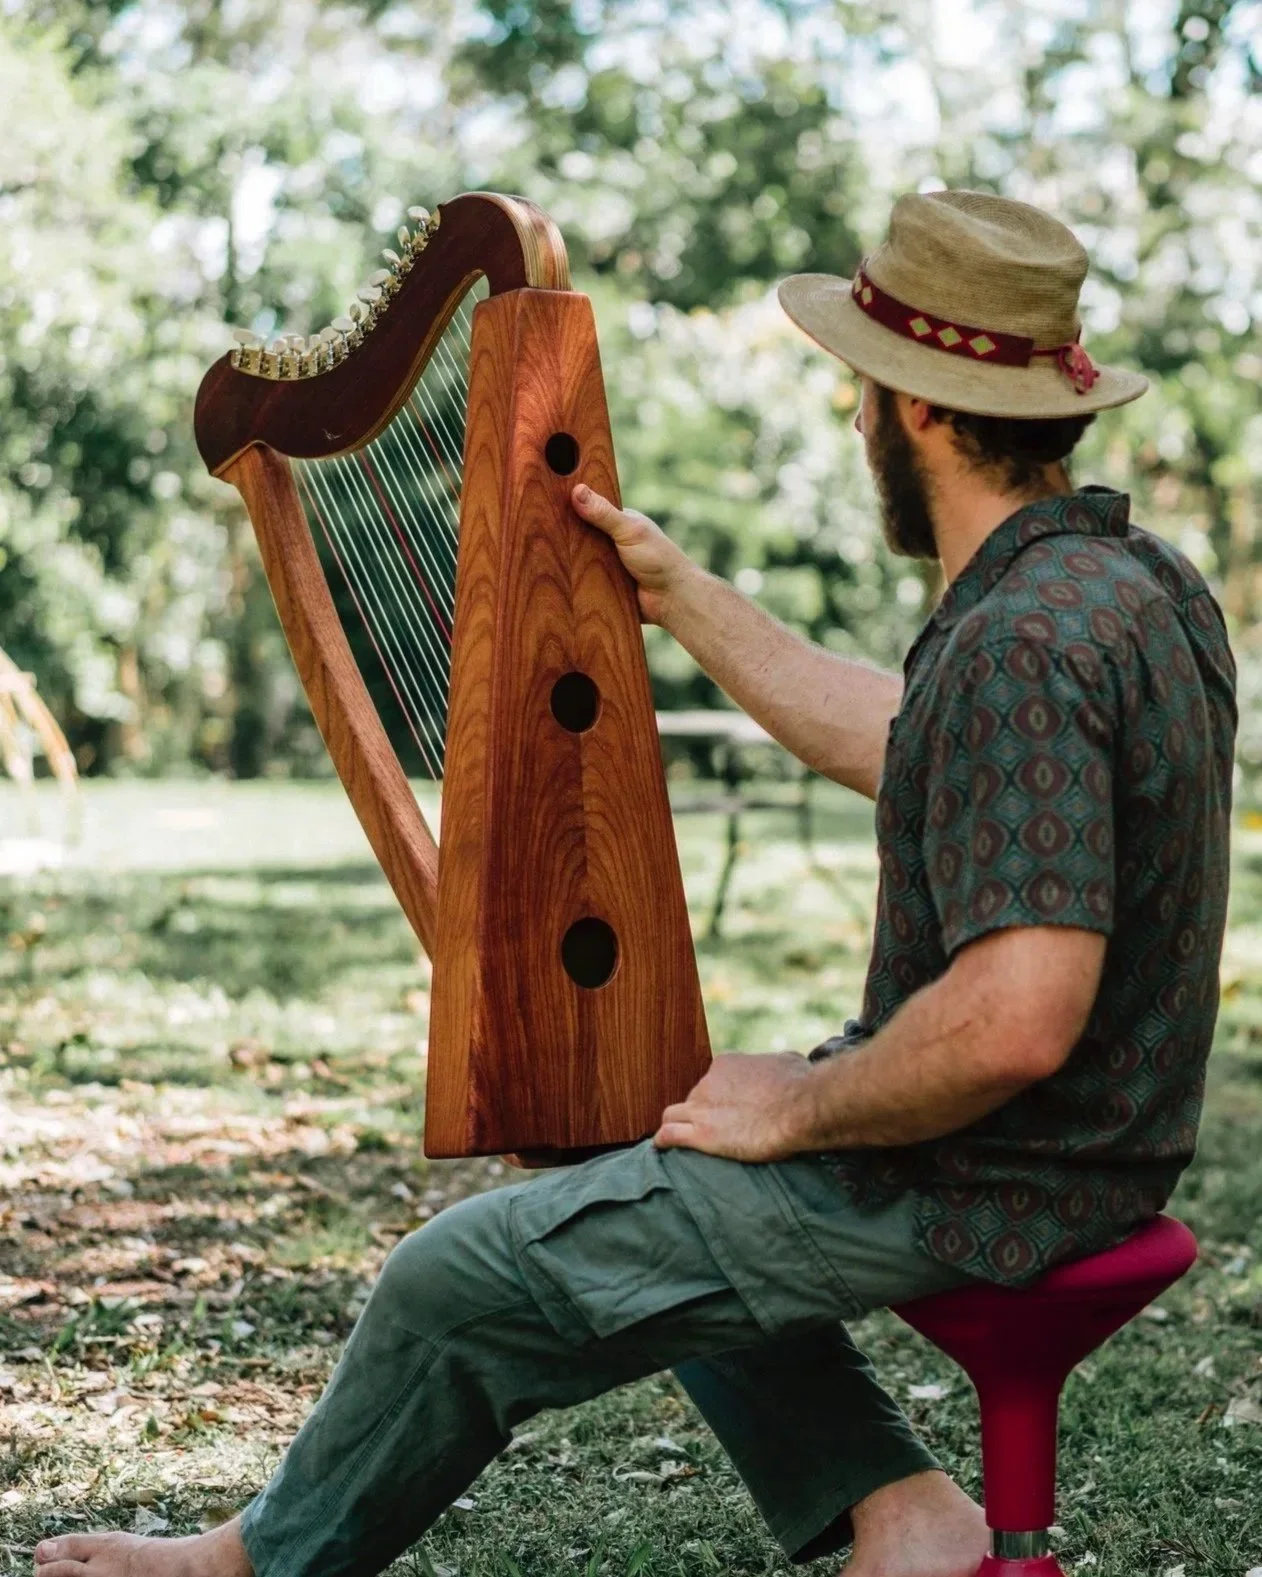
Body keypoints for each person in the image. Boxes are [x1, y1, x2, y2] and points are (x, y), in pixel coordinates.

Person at [33, 190, 1235, 1577]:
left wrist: (800, 1105)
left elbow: (1014, 1018)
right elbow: (914, 749)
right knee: (640, 1135)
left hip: (988, 1174)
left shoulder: (1014, 643)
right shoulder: (1125, 584)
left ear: (909, 408)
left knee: (453, 1281)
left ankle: (250, 1564)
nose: (851, 420)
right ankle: (904, 1517)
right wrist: (683, 593)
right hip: (1091, 1145)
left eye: (859, 390)